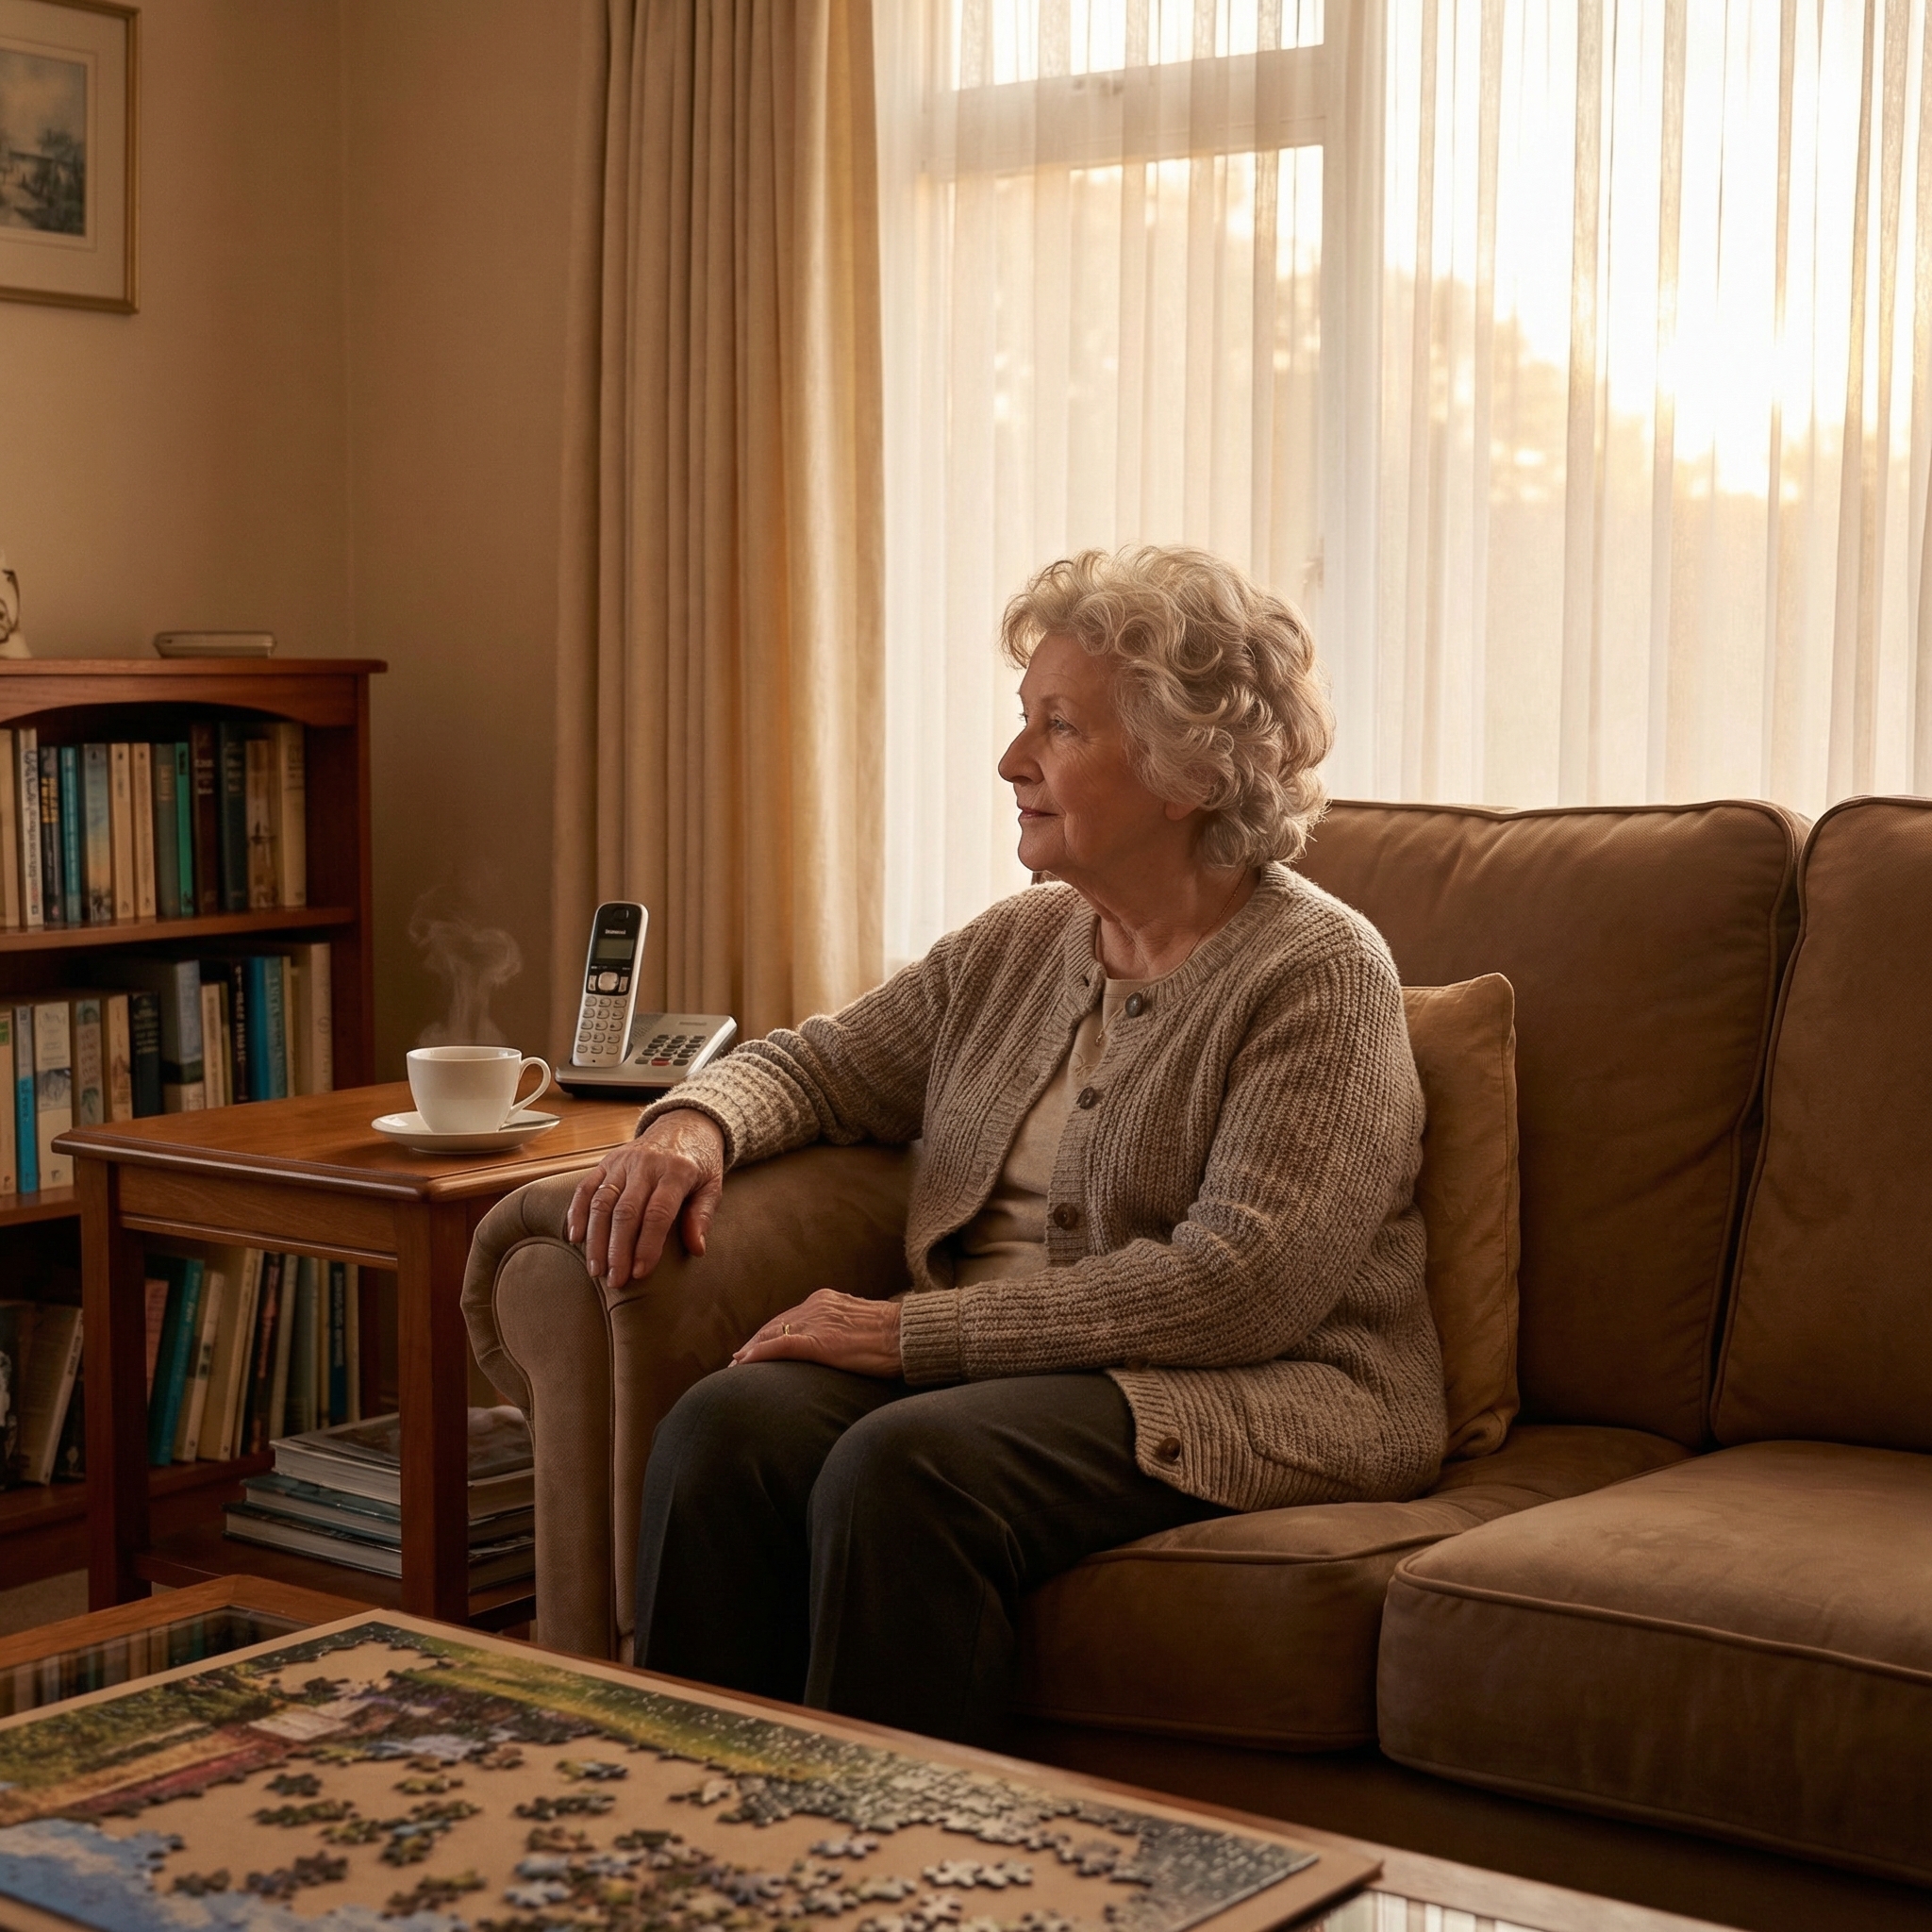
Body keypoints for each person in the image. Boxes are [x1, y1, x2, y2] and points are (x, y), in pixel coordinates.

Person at [567, 545, 1446, 1744]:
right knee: (726, 1431)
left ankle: (885, 1848)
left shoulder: (1318, 972)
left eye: (1058, 726)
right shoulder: (1022, 944)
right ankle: (685, 1812)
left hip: (1263, 1387)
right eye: (1024, 717)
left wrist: (911, 1334)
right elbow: (818, 1066)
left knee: (907, 1467)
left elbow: (1241, 1286)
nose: (1010, 759)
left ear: (1187, 771)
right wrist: (691, 1123)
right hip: (1011, 1380)